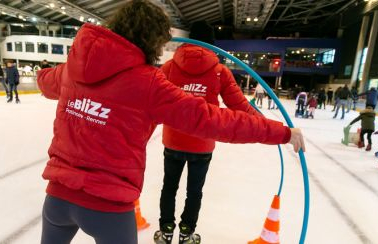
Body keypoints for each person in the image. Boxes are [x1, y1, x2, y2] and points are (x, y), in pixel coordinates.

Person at [36, 2, 305, 244]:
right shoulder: (147, 82)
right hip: (108, 207)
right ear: (152, 40)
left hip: (57, 200)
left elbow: (45, 80)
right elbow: (213, 119)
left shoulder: (72, 69)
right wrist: (281, 133)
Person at [155, 20, 264, 243]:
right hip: (202, 145)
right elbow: (240, 106)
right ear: (211, 44)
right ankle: (186, 233)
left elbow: (150, 97)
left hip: (173, 141)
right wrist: (263, 123)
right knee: (194, 192)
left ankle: (166, 230)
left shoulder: (169, 67)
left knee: (169, 187)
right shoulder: (219, 71)